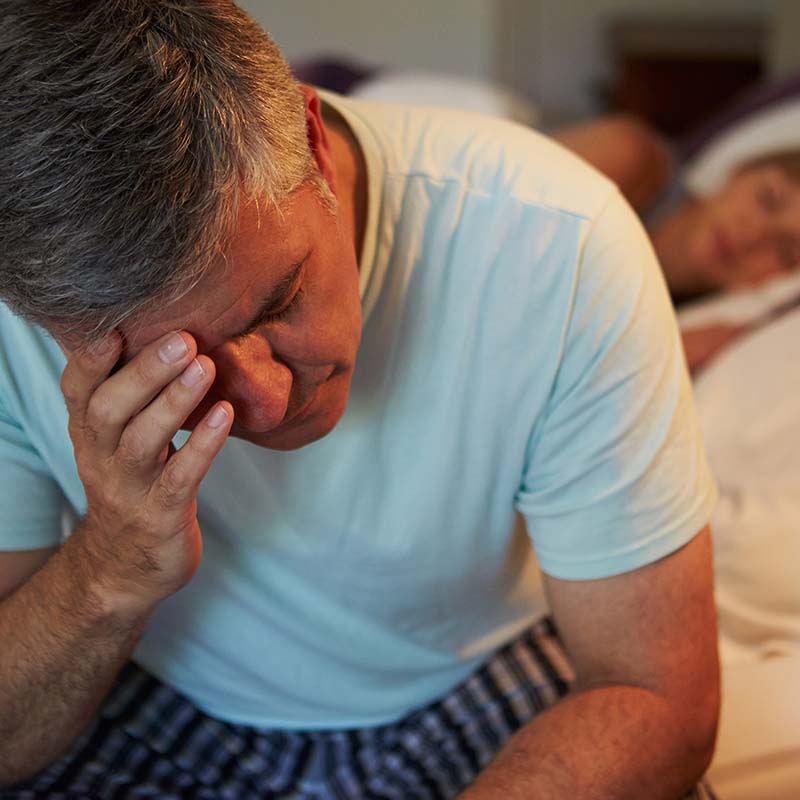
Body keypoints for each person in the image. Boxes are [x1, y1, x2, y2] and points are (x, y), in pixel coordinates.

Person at [0, 3, 719, 799]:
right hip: (156, 689)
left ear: (312, 140)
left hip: (469, 674)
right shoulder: (13, 315)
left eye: (279, 301)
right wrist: (111, 568)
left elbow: (657, 694)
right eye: (178, 371)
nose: (267, 405)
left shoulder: (557, 240)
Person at [555, 118, 800, 372]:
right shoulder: (629, 161)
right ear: (740, 171)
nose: (751, 235)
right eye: (768, 199)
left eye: (785, 252)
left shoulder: (699, 330)